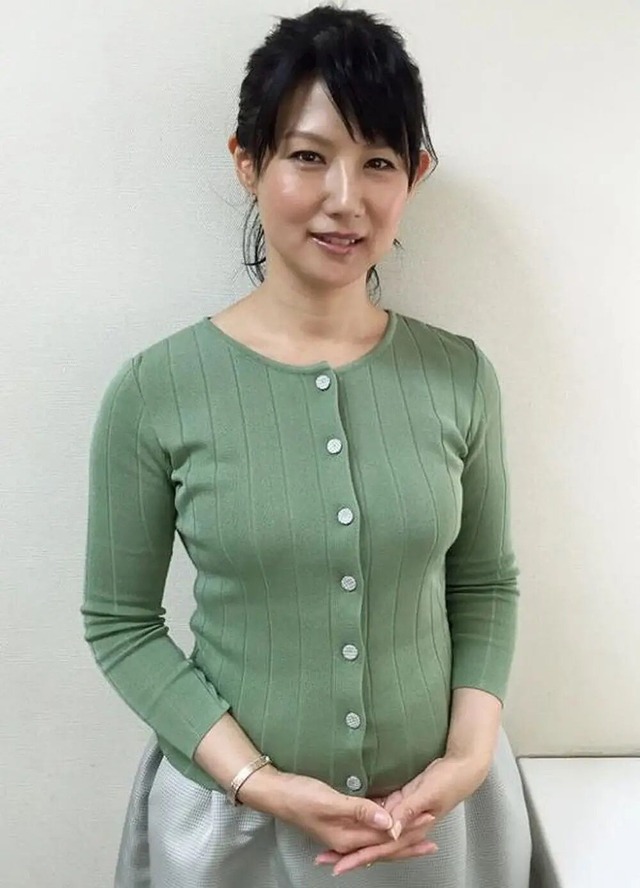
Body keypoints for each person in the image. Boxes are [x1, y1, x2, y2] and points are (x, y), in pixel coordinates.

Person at [81, 4, 532, 886]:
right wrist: (257, 781)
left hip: (436, 822)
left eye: (379, 162)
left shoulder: (461, 376)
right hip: (232, 825)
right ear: (247, 161)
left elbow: (485, 583)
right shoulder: (154, 391)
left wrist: (468, 760)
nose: (345, 199)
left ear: (416, 175)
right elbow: (121, 624)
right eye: (308, 156)